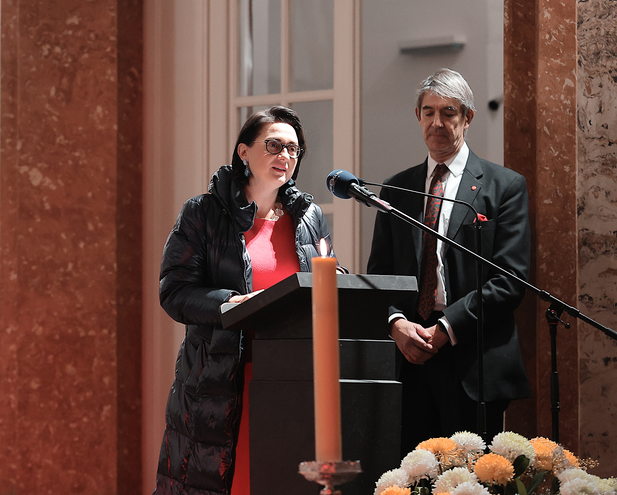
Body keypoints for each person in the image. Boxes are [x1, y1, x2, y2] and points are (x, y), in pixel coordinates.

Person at [154, 106, 342, 495]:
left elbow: (323, 282)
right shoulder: (203, 213)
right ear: (244, 152)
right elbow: (174, 291)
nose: (285, 156)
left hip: (292, 378)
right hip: (220, 381)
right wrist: (232, 303)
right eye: (274, 145)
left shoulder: (308, 217)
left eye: (293, 149)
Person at [366, 68, 531, 454]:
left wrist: (445, 327)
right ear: (418, 116)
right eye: (428, 112)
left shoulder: (504, 187)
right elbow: (379, 277)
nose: (437, 123)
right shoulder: (396, 191)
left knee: (471, 478)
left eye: (448, 112)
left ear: (468, 117)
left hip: (472, 360)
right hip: (409, 362)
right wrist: (396, 324)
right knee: (412, 477)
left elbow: (510, 280)